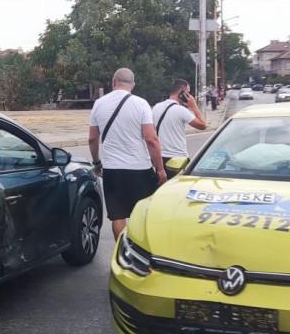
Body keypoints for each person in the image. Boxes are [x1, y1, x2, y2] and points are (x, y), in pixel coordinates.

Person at [88, 68, 167, 241]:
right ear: (133, 85)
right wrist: (160, 169)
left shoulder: (99, 104)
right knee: (145, 213)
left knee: (117, 215)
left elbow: (93, 139)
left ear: (113, 81)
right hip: (140, 169)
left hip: (112, 170)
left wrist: (96, 162)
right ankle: (143, 252)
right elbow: (151, 139)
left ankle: (122, 252)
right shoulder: (141, 104)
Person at [152, 79, 207, 179]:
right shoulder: (181, 110)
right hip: (178, 158)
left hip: (160, 158)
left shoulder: (156, 107)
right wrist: (194, 106)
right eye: (188, 93)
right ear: (180, 93)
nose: (190, 97)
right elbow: (203, 125)